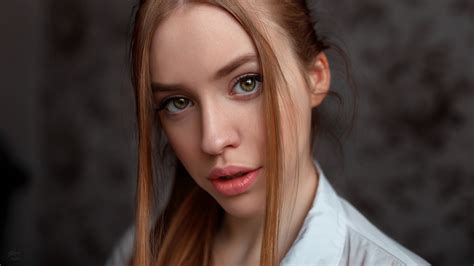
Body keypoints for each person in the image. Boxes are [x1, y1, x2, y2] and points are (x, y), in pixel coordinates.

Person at [107, 0, 429, 265]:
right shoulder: (140, 252)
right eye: (178, 103)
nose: (213, 140)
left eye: (248, 83)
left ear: (315, 78)